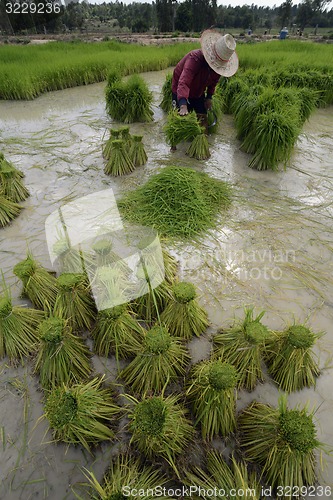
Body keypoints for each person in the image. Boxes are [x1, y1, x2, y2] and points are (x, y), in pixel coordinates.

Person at [172, 29, 239, 120]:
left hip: (199, 89)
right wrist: (183, 106)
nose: (215, 66)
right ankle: (183, 105)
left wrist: (209, 97)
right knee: (181, 119)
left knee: (202, 117)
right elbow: (184, 82)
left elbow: (214, 82)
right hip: (180, 87)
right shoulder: (194, 59)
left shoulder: (219, 68)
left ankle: (203, 133)